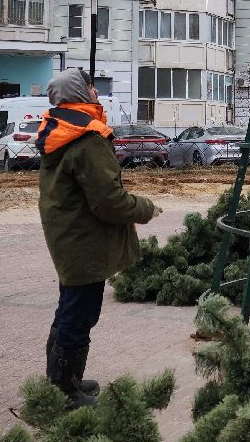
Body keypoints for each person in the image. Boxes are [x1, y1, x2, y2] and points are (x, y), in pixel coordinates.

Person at [37, 67, 159, 407]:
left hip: (69, 236)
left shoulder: (58, 132)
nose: (95, 91)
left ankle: (61, 381)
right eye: (90, 87)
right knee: (79, 314)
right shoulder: (87, 140)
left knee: (69, 309)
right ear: (81, 94)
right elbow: (109, 202)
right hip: (84, 241)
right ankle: (65, 393)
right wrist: (145, 208)